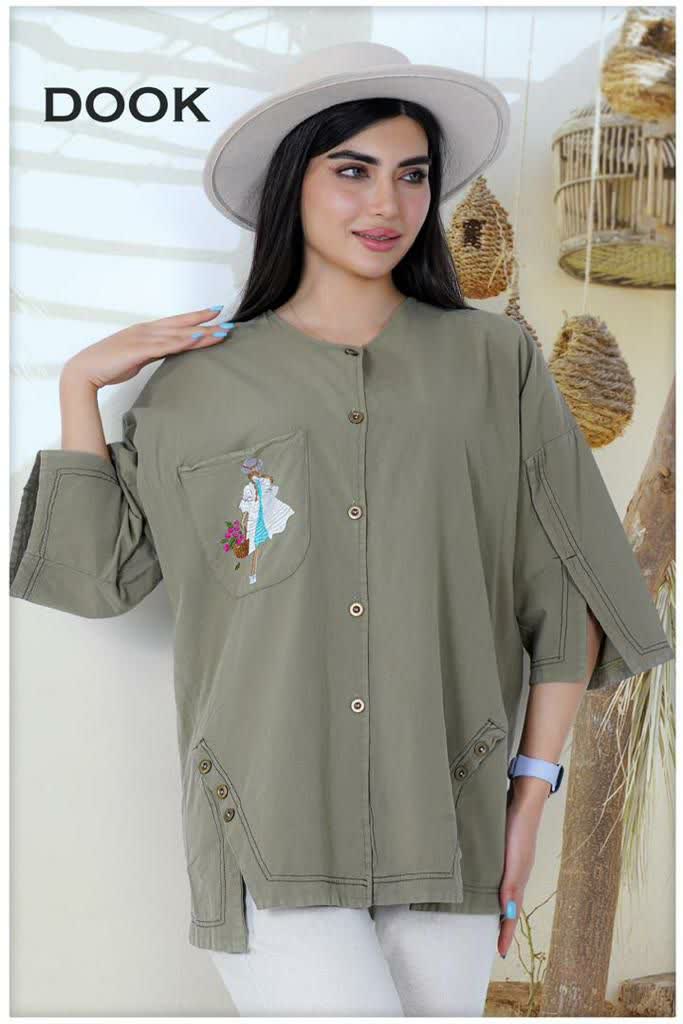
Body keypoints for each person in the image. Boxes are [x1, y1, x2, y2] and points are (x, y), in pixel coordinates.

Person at [9, 42, 674, 1017]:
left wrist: (529, 795)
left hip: (451, 814)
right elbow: (95, 580)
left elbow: (561, 586)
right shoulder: (198, 386)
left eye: (412, 175)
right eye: (352, 170)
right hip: (265, 819)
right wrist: (78, 385)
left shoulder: (494, 363)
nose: (387, 204)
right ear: (294, 183)